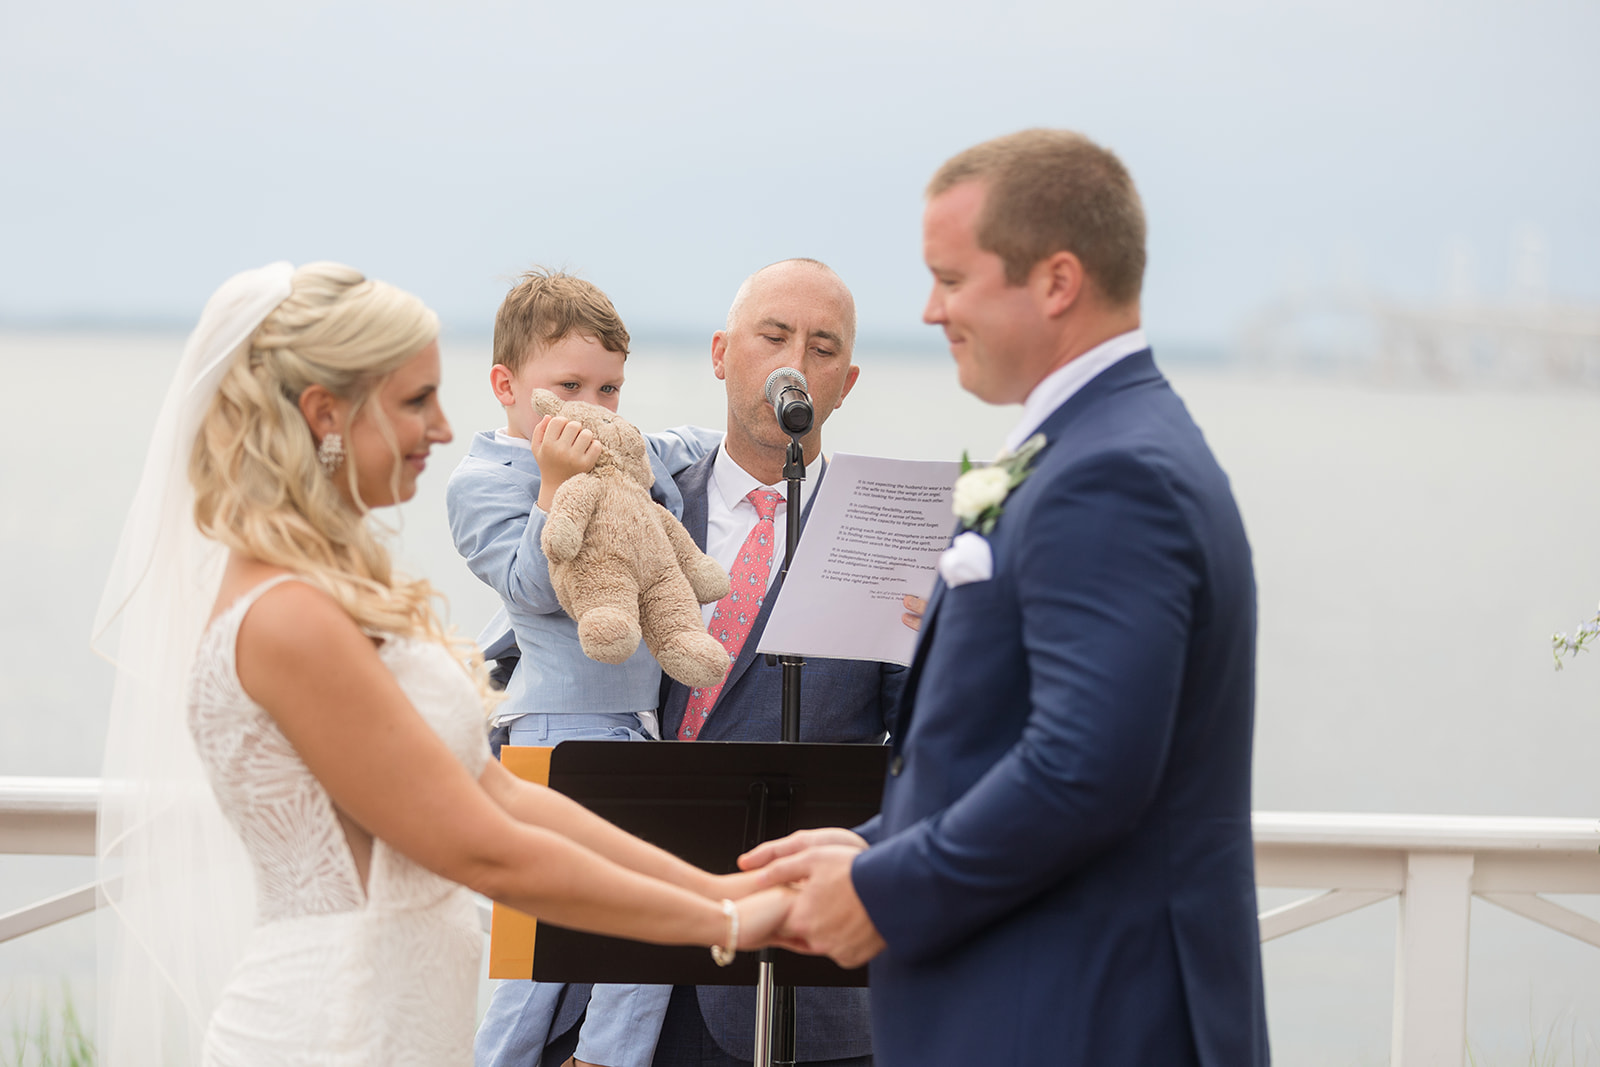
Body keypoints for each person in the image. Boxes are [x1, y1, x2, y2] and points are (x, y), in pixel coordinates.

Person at [93, 261, 794, 1067]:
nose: (441, 428)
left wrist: (718, 890)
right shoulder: (288, 617)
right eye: (414, 401)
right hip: (335, 1028)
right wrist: (725, 923)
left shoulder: (328, 589)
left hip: (400, 1018)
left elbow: (496, 790)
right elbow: (482, 844)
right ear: (326, 412)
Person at [743, 131, 1272, 1065]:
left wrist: (881, 892)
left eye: (951, 278)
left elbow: (1085, 768)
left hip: (1079, 1017)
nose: (930, 309)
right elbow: (1007, 742)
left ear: (1056, 282)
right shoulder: (1093, 444)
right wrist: (875, 845)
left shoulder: (1113, 475)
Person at [544, 259, 906, 1067]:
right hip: (610, 962)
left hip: (803, 991)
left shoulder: (885, 535)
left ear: (844, 383)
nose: (793, 365)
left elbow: (929, 747)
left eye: (821, 348)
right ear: (720, 352)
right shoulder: (636, 495)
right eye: (773, 336)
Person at [448, 269, 721, 1067]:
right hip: (553, 730)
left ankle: (602, 1060)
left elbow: (686, 446)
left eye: (609, 389)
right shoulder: (484, 482)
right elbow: (533, 586)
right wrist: (558, 485)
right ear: (507, 384)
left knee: (645, 930)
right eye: (568, 384)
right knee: (539, 954)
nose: (593, 408)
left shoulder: (617, 455)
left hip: (632, 727)